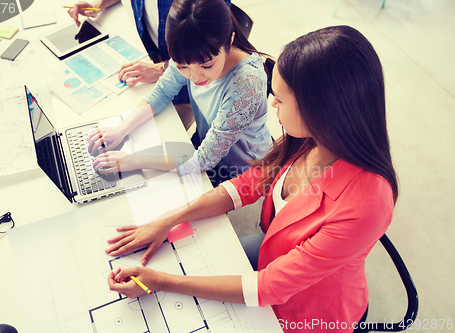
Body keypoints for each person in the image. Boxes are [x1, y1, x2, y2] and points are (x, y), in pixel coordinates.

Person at [103, 25, 399, 332]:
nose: (271, 104)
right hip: (274, 251)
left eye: (281, 100)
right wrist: (169, 219)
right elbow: (249, 183)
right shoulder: (312, 139)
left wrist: (160, 282)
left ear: (322, 109)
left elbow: (268, 287)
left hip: (306, 312)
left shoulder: (368, 202)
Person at [87, 0, 272, 187]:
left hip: (242, 169)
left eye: (207, 65)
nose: (194, 76)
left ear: (229, 41)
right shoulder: (189, 50)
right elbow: (163, 91)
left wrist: (133, 160)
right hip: (206, 143)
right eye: (182, 66)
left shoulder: (246, 83)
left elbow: (203, 161)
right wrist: (122, 129)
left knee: (156, 189)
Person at [68, 0, 230, 130]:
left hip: (186, 87)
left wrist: (162, 68)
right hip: (157, 61)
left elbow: (212, 46)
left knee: (157, 138)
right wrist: (98, 4)